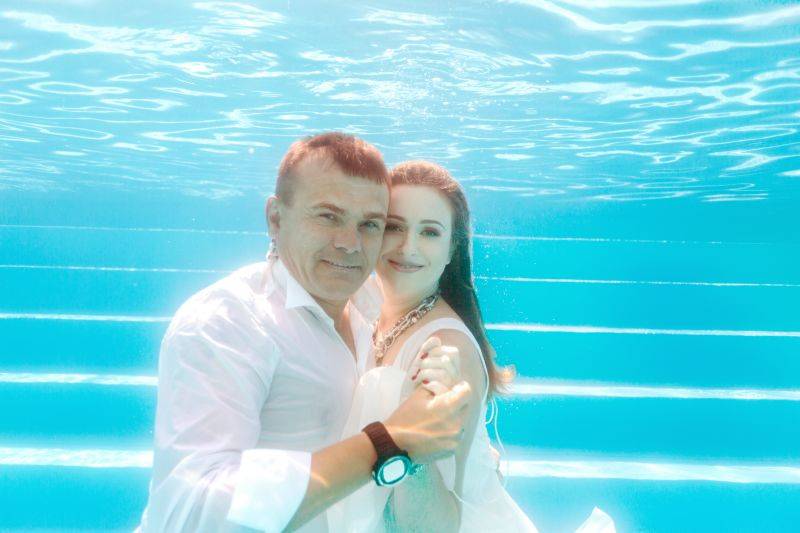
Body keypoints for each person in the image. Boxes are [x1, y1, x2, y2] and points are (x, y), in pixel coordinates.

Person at [137, 133, 473, 532]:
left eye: (370, 224)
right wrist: (386, 443)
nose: (350, 243)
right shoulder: (228, 323)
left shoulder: (372, 311)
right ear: (276, 219)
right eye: (328, 216)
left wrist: (422, 444)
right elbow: (190, 517)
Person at [328, 161, 616, 532]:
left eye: (429, 232)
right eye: (394, 226)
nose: (408, 247)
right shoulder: (368, 303)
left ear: (452, 249)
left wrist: (413, 449)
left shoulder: (447, 351)